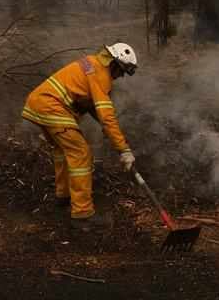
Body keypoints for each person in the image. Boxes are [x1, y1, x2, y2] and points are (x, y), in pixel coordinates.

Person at [21, 42, 138, 229]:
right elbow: (106, 116)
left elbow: (89, 105)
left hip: (39, 102)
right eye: (121, 71)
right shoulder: (101, 75)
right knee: (81, 153)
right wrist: (124, 150)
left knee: (62, 150)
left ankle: (63, 197)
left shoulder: (91, 64)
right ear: (114, 63)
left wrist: (109, 131)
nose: (120, 76)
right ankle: (82, 214)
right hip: (52, 107)